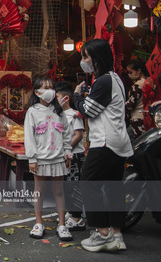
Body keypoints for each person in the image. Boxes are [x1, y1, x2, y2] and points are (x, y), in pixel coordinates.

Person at [74, 39, 133, 252]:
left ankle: (102, 233)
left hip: (105, 141)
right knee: (113, 187)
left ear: (96, 58)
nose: (83, 61)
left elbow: (88, 111)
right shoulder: (115, 79)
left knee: (89, 183)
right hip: (119, 140)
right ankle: (117, 234)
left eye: (85, 57)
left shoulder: (104, 82)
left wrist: (76, 96)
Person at [24, 75, 73, 241]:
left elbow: (66, 133)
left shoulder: (59, 110)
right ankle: (38, 223)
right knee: (39, 191)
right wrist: (32, 158)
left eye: (52, 88)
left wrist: (67, 153)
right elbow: (29, 137)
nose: (50, 91)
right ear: (37, 92)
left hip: (58, 157)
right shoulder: (32, 112)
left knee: (59, 191)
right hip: (41, 159)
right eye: (46, 88)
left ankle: (62, 225)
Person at [55, 81, 86, 231]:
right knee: (66, 185)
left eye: (57, 96)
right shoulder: (58, 115)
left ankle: (77, 217)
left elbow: (78, 136)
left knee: (74, 186)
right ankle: (70, 212)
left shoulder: (74, 115)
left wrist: (67, 150)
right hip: (63, 156)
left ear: (65, 98)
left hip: (74, 156)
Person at [124, 60, 156, 140]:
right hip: (147, 117)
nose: (129, 75)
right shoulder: (149, 82)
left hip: (137, 118)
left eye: (130, 72)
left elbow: (131, 103)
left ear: (138, 70)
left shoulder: (138, 85)